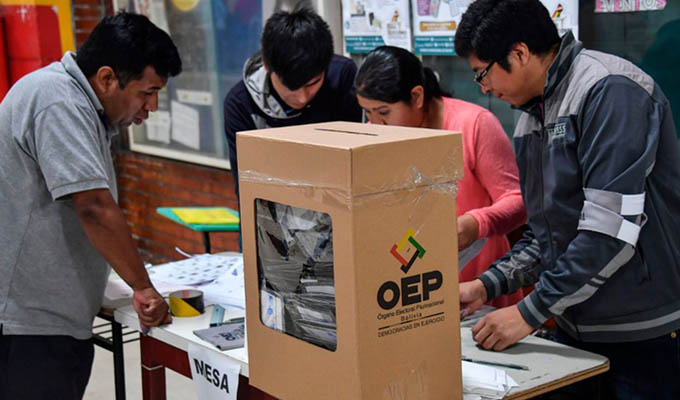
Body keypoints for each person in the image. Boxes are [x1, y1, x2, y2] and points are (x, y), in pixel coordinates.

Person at [454, 1, 680, 398]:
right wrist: (486, 286)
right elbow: (547, 236)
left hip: (643, 331)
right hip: (576, 326)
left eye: (482, 73)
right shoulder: (532, 118)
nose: (484, 89)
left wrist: (529, 312)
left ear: (519, 53)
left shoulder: (609, 90)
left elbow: (608, 233)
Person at [0, 12, 181, 399]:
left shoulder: (79, 105)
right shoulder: (58, 101)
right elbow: (94, 207)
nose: (151, 107)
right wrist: (143, 288)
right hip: (29, 327)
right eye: (146, 92)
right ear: (106, 78)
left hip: (49, 320)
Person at [354, 45, 527, 308]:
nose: (375, 124)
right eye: (368, 113)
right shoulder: (375, 135)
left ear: (417, 96)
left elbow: (518, 201)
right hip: (413, 290)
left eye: (384, 113)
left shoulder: (474, 125)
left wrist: (475, 224)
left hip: (481, 289)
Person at [224, 7, 362, 201]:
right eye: (290, 87)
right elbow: (246, 188)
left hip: (337, 200)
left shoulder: (342, 77)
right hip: (276, 203)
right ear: (266, 65)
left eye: (313, 84)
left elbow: (357, 159)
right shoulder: (240, 103)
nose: (302, 98)